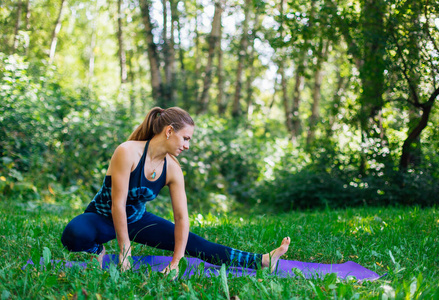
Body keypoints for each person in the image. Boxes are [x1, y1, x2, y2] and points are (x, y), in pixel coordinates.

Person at [61, 107, 290, 274]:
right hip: (102, 217)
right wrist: (125, 252)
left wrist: (175, 261)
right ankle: (97, 250)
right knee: (74, 233)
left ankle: (262, 261)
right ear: (169, 131)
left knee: (195, 243)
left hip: (137, 219)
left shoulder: (172, 169)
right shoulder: (127, 152)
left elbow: (181, 218)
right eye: (186, 138)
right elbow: (117, 205)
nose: (187, 145)